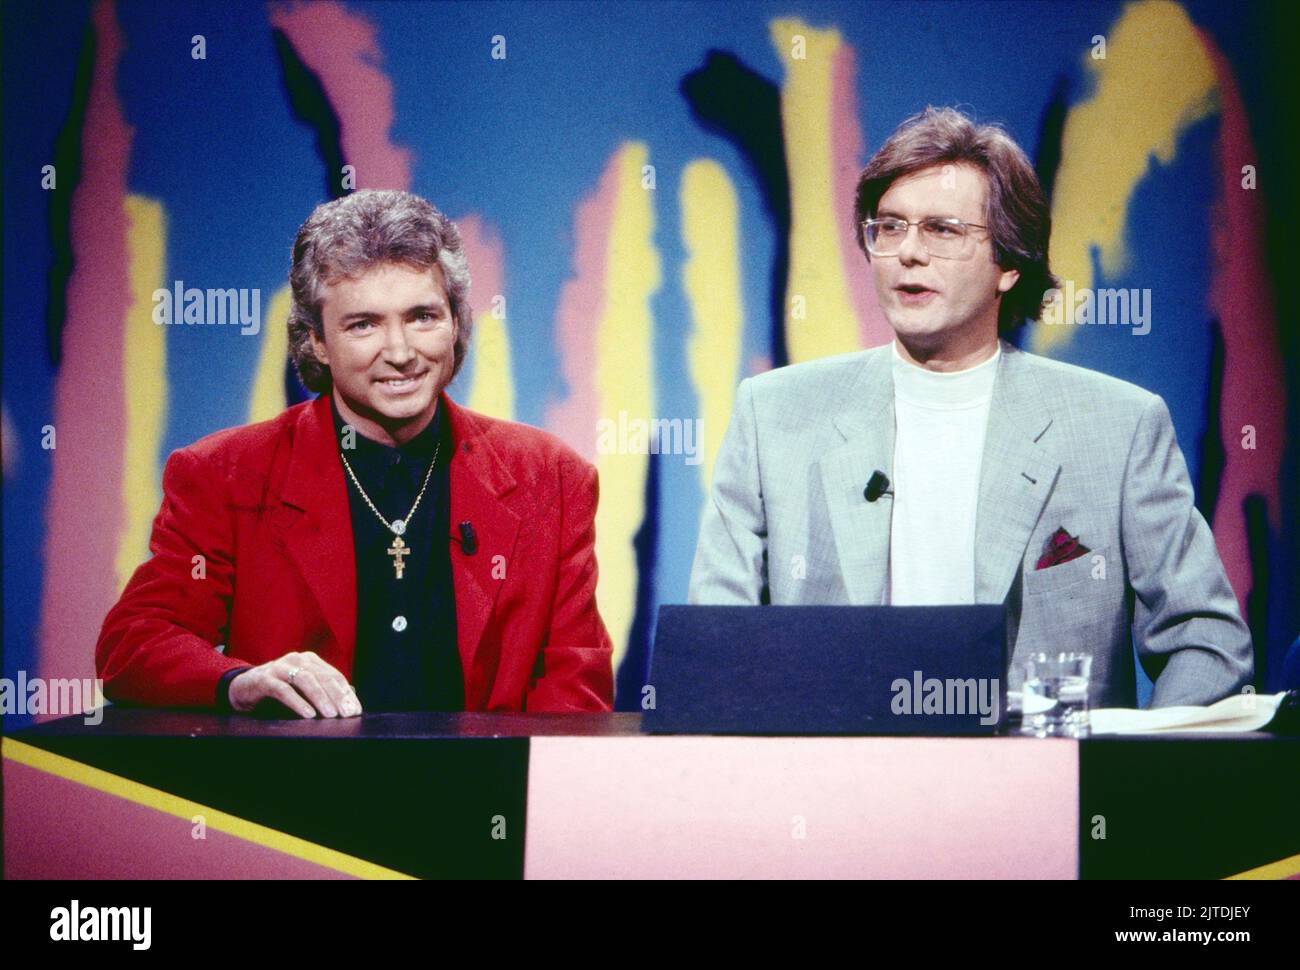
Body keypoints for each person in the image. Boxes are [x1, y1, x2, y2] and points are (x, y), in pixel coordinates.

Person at [688, 107, 1253, 709]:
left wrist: (1132, 779)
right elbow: (713, 647)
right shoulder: (773, 414)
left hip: (1041, 790)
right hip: (837, 785)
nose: (908, 252)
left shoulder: (1118, 426)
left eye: (942, 230)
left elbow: (1207, 642)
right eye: (890, 227)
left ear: (1008, 264)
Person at [97, 190, 614, 716]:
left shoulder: (550, 477)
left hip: (489, 790)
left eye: (422, 317)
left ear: (456, 323)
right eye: (363, 324)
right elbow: (134, 643)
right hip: (292, 791)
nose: (400, 352)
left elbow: (576, 686)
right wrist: (240, 681)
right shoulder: (226, 476)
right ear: (317, 340)